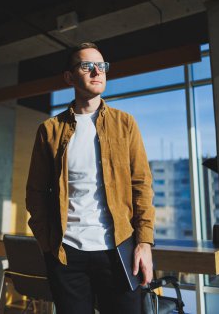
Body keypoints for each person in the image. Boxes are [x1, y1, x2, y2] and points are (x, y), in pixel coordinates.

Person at [26, 42, 155, 314]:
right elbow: (35, 192)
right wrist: (47, 243)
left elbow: (141, 187)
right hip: (66, 253)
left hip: (118, 250)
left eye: (102, 65)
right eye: (87, 65)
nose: (97, 71)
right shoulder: (49, 130)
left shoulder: (125, 124)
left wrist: (144, 243)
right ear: (69, 77)